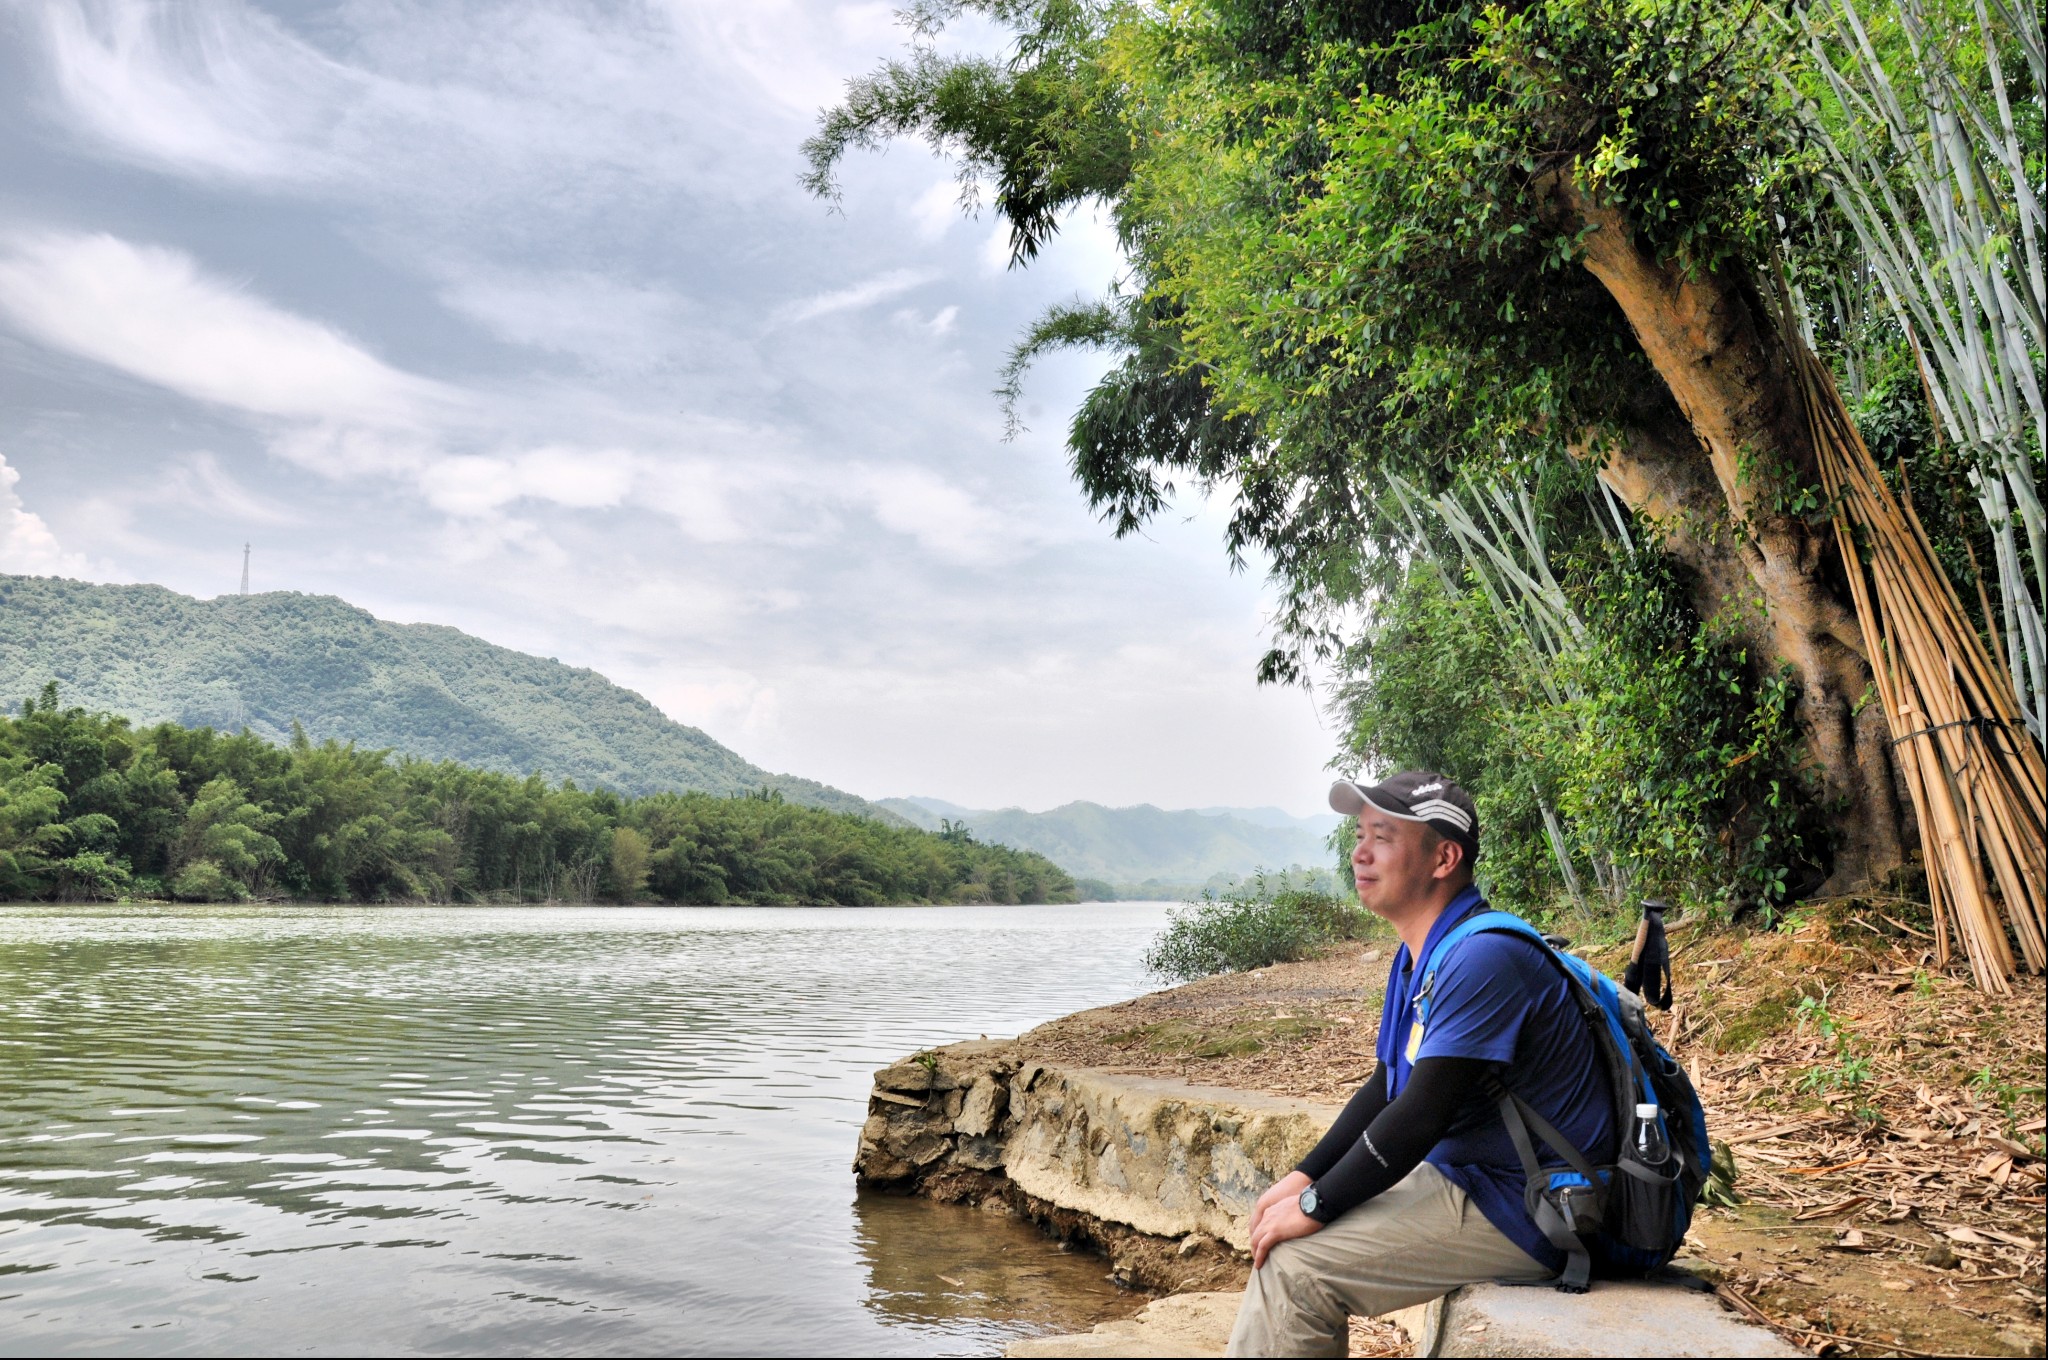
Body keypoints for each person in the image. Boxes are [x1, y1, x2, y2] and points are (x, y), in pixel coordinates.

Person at [1226, 771, 1617, 1357]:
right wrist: (1305, 1177)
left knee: (1295, 1270)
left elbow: (1420, 1115)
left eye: (1382, 836)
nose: (1359, 852)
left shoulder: (1482, 957)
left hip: (1540, 1206)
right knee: (1291, 1247)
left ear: (1443, 857)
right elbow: (1388, 1084)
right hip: (1483, 1178)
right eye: (1360, 834)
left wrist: (1317, 1206)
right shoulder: (1422, 955)